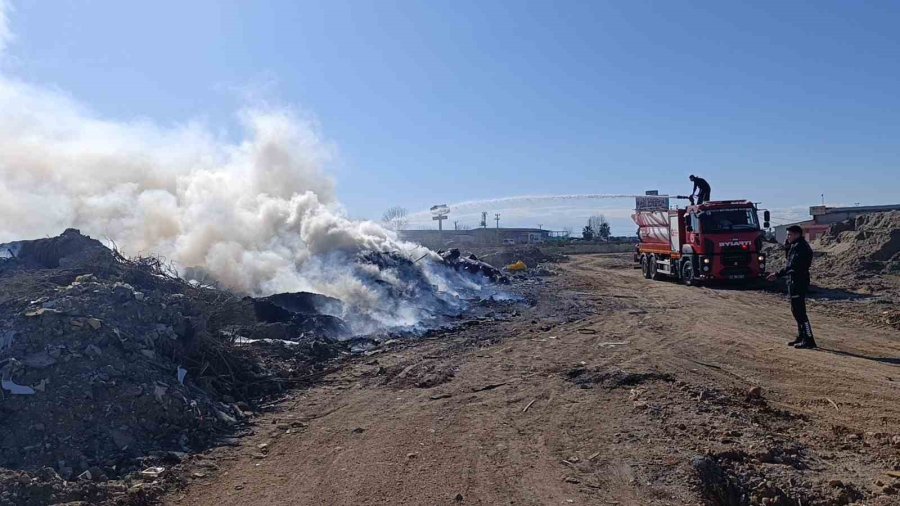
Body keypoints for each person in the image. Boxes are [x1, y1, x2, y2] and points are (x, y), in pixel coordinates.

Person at [767, 225, 816, 349]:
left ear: (797, 234)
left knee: (800, 312)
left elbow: (792, 266)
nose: (787, 237)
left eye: (790, 234)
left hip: (799, 281)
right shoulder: (794, 246)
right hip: (793, 281)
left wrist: (777, 274)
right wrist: (787, 248)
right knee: (795, 310)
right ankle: (801, 336)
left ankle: (809, 339)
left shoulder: (801, 247)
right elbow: (788, 261)